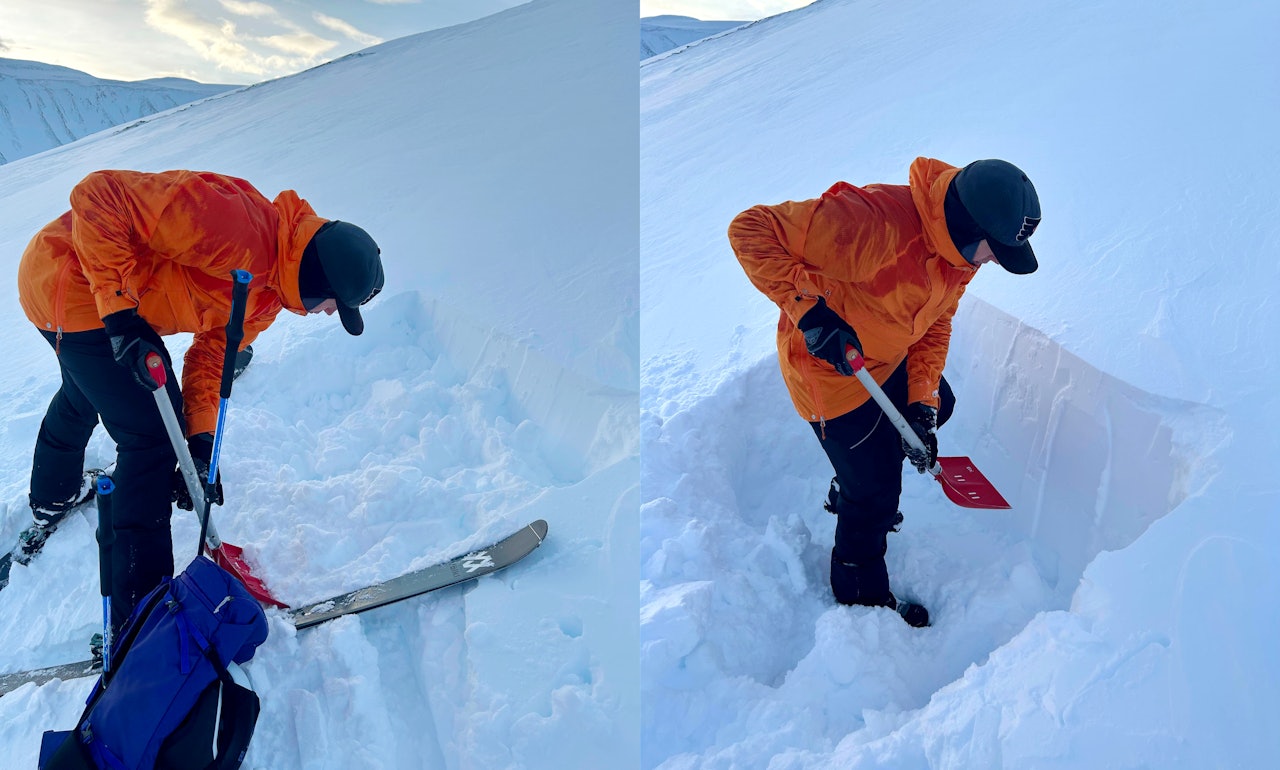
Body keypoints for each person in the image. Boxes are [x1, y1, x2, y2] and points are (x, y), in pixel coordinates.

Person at [16, 169, 385, 633]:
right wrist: (120, 317)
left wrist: (200, 438)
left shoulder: (268, 295)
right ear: (319, 279)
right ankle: (141, 616)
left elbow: (212, 356)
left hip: (82, 288)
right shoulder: (237, 227)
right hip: (72, 278)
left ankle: (54, 494)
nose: (329, 313)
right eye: (334, 303)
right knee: (151, 435)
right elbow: (99, 194)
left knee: (93, 386)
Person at [728, 157, 1041, 627]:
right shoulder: (870, 223)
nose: (993, 260)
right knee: (876, 496)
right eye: (993, 249)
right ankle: (859, 595)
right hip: (831, 374)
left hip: (886, 358)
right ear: (966, 225)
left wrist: (923, 404)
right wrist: (810, 314)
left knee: (939, 405)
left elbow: (935, 326)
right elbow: (749, 229)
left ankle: (856, 476)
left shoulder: (958, 256)